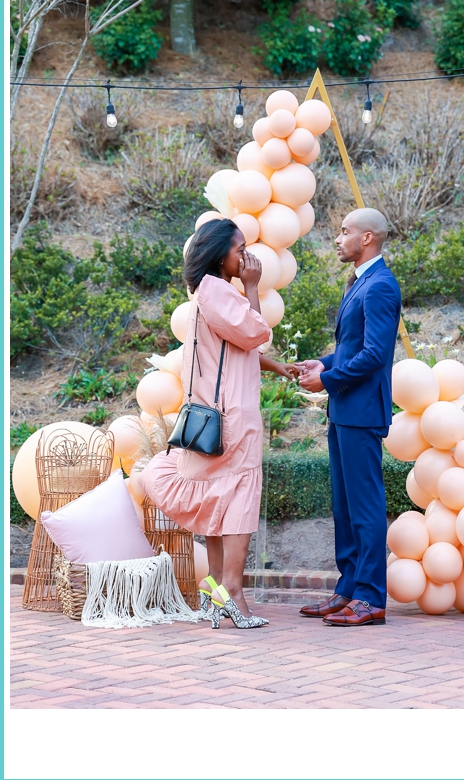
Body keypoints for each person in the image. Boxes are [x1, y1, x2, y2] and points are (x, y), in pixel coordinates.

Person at [140, 217, 298, 631]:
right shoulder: (223, 293)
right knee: (240, 502)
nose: (247, 256)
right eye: (239, 249)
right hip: (233, 417)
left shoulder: (204, 294)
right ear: (218, 255)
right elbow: (256, 332)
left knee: (216, 505)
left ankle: (214, 595)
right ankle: (235, 594)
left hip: (212, 415)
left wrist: (274, 366)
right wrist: (251, 287)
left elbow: (237, 344)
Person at [295, 208, 402, 625]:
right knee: (344, 506)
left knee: (365, 506)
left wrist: (329, 380)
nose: (337, 239)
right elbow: (352, 345)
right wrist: (323, 364)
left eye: (345, 232)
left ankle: (371, 598)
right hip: (344, 409)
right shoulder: (359, 282)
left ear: (368, 239)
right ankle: (348, 588)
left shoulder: (380, 286)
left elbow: (376, 355)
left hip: (360, 410)